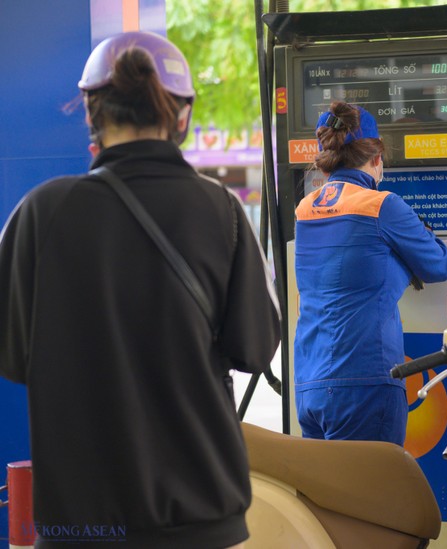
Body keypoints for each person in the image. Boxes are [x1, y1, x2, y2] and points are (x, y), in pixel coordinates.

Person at [0, 32, 280, 549]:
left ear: (91, 113)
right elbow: (254, 350)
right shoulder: (222, 212)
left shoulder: (40, 214)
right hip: (202, 519)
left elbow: (15, 359)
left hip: (81, 526)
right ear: (180, 116)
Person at [293, 101, 447, 446]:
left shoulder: (305, 210)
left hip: (309, 382)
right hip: (365, 380)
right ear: (376, 158)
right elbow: (439, 265)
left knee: (323, 497)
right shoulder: (382, 205)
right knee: (374, 496)